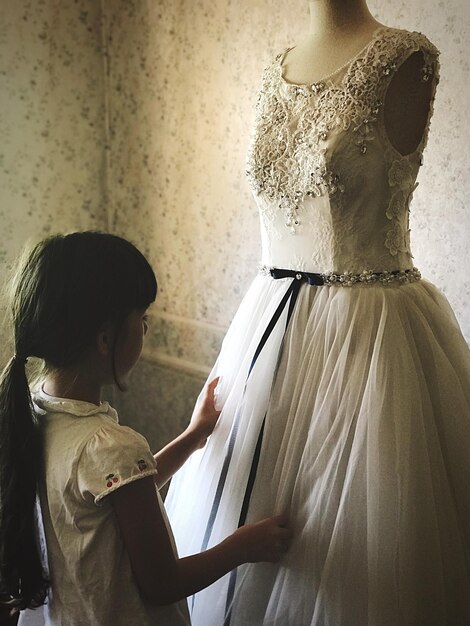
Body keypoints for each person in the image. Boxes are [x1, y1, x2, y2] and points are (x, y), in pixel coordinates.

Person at [165, 1, 470, 624]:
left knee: (365, 543)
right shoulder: (273, 71)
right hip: (269, 326)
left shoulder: (404, 57)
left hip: (370, 333)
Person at [0, 231, 291, 626]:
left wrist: (193, 437)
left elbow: (116, 494)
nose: (145, 329)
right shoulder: (111, 445)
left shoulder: (36, 411)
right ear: (106, 338)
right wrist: (241, 546)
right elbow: (163, 583)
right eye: (142, 319)